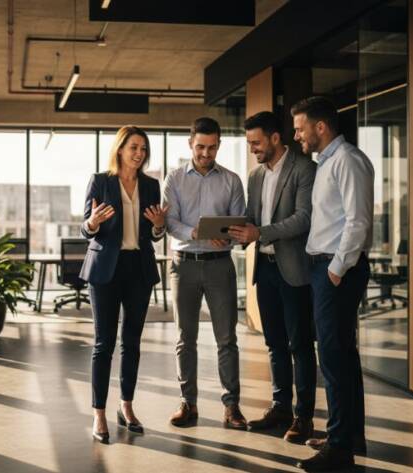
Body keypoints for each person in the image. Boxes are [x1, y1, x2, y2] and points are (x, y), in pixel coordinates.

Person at [290, 97, 374, 471]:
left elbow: (358, 222)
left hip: (337, 271)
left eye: (300, 128)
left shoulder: (348, 161)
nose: (296, 135)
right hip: (325, 269)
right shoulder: (326, 163)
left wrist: (336, 270)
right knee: (342, 357)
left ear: (320, 127)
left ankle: (339, 448)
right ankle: (349, 436)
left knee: (333, 359)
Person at [227, 111, 318, 443]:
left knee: (300, 345)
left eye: (256, 142)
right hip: (264, 269)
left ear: (275, 138)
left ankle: (303, 416)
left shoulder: (305, 169)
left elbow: (303, 218)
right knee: (274, 343)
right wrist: (231, 231)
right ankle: (281, 407)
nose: (252, 148)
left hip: (294, 270)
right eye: (249, 143)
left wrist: (260, 232)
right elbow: (252, 217)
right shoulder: (255, 176)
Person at [79, 125, 167, 444]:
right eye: (134, 147)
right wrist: (93, 222)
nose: (139, 153)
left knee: (132, 342)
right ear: (120, 149)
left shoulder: (151, 185)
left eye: (143, 148)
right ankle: (99, 413)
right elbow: (85, 228)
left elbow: (154, 234)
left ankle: (126, 406)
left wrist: (159, 226)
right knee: (104, 343)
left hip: (138, 268)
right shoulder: (100, 181)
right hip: (105, 269)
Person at [163, 116, 248, 430]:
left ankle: (232, 406)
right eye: (200, 147)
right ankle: (188, 403)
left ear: (219, 145)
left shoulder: (232, 181)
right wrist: (195, 232)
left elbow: (239, 223)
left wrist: (228, 237)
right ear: (191, 143)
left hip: (219, 265)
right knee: (185, 338)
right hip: (183, 265)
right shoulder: (174, 179)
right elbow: (170, 223)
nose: (205, 153)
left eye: (212, 147)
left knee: (227, 338)